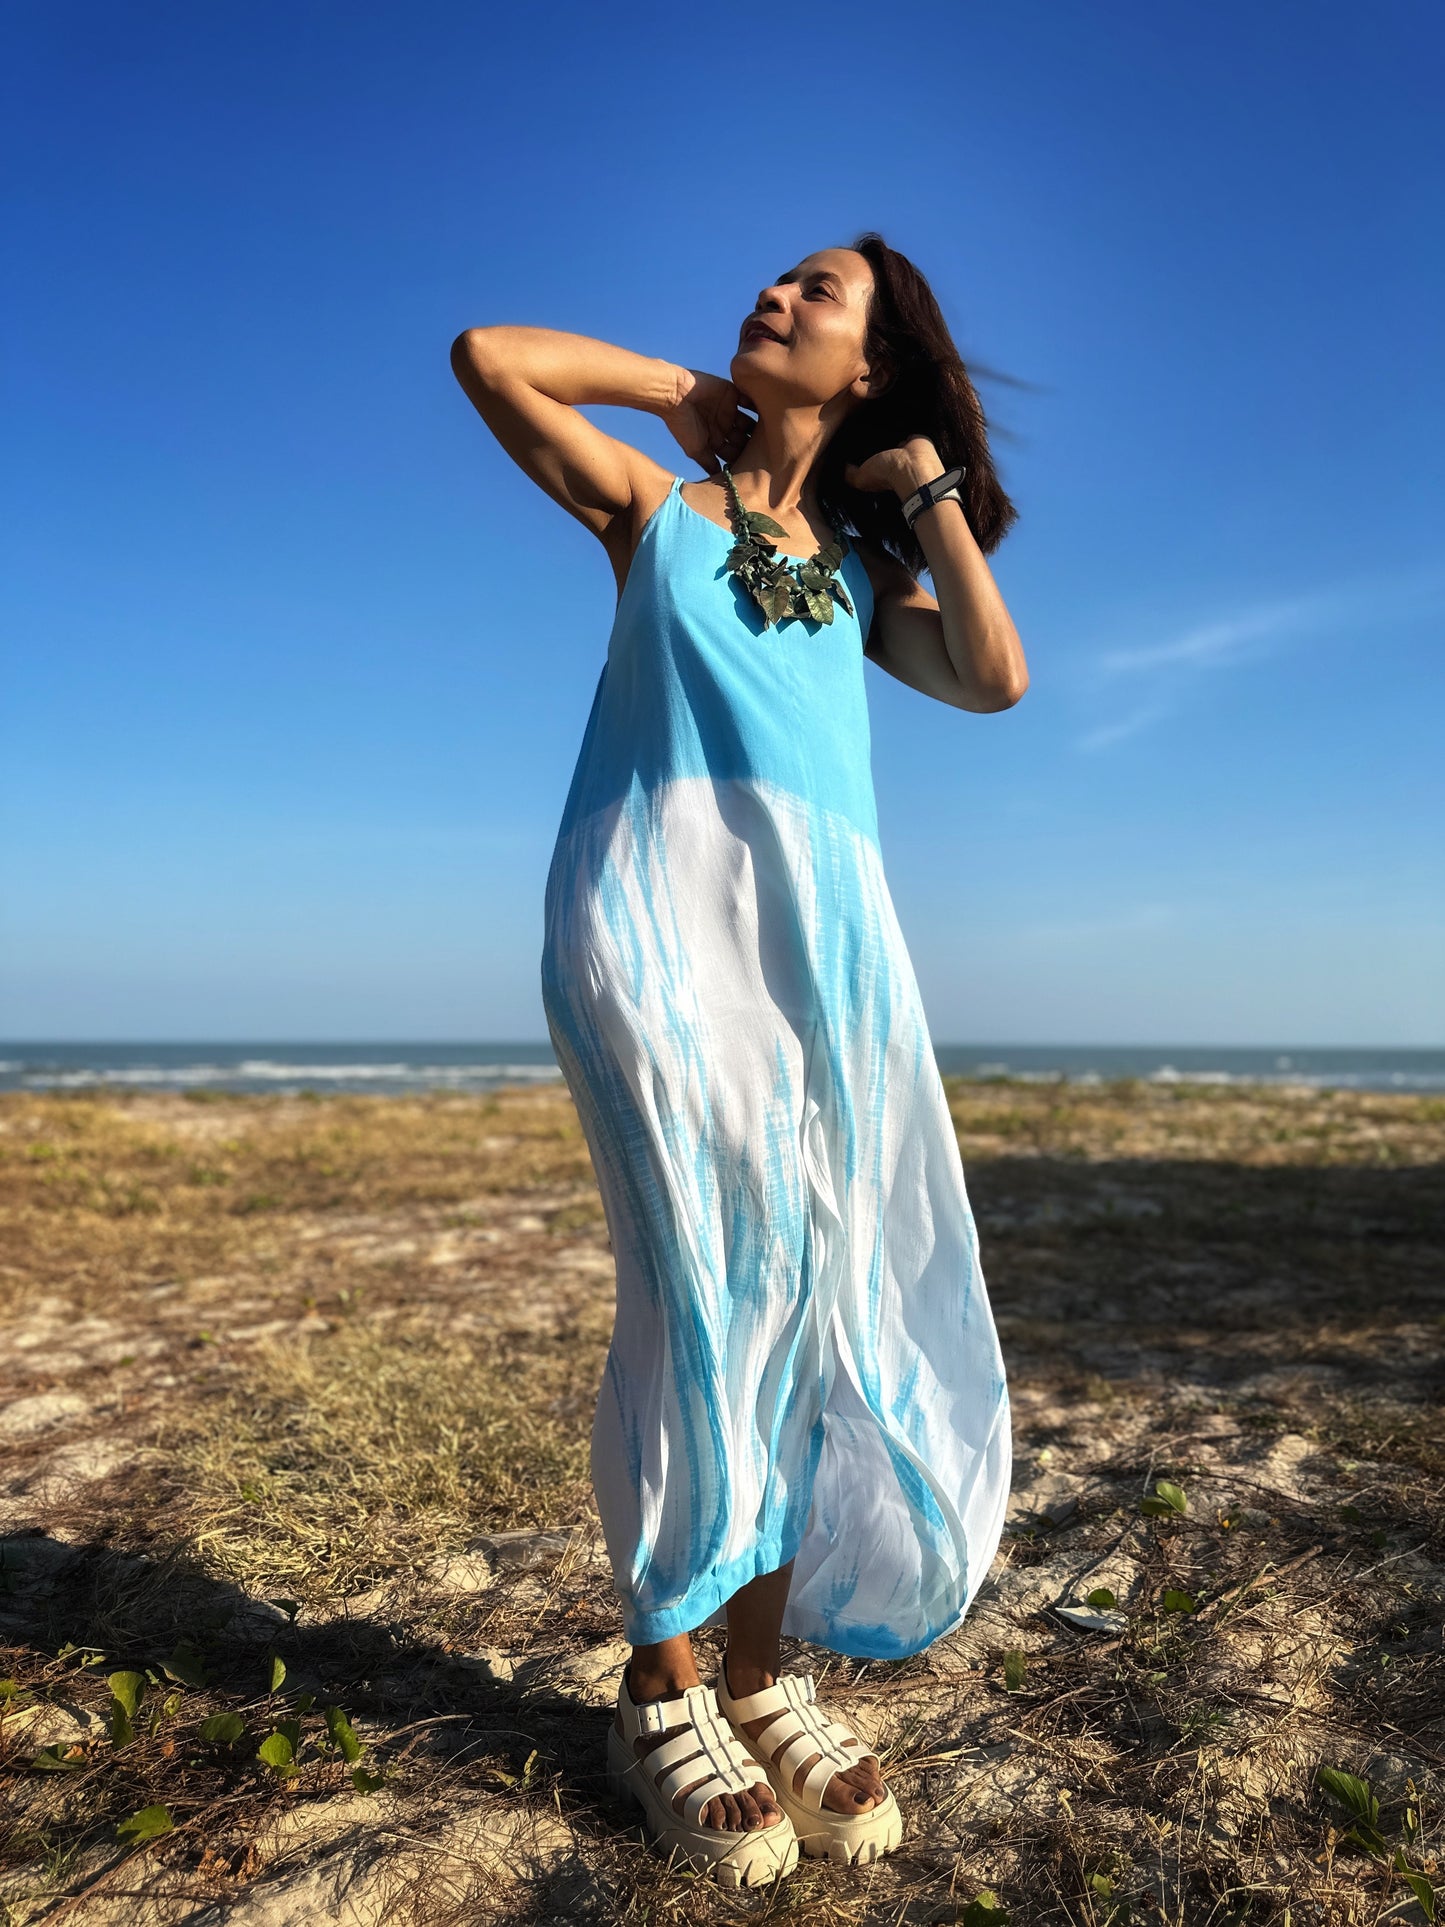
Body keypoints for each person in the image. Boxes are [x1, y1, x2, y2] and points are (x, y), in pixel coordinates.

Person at [449, 231, 1027, 1887]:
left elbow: (991, 678)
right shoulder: (652, 509)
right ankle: (660, 1683)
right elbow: (494, 353)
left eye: (815, 294)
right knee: (703, 1292)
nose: (774, 296)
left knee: (822, 1292)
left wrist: (915, 497)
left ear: (870, 367)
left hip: (823, 945)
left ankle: (764, 1675)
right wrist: (690, 398)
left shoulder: (856, 584)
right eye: (770, 282)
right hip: (649, 913)